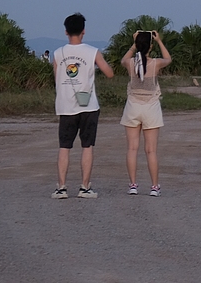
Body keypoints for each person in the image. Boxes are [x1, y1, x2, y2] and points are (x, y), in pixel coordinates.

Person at [53, 13, 115, 199]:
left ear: (66, 31)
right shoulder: (93, 51)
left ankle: (62, 187)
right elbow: (109, 73)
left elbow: (57, 77)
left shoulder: (57, 54)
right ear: (83, 31)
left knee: (64, 147)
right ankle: (85, 187)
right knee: (87, 146)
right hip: (88, 105)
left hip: (65, 106)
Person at [121, 30, 171, 196]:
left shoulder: (130, 63)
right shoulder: (155, 63)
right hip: (151, 108)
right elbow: (168, 59)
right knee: (151, 150)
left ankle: (133, 185)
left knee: (132, 148)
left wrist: (134, 44)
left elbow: (123, 59)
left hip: (133, 107)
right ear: (150, 46)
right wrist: (159, 41)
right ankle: (154, 187)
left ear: (137, 45)